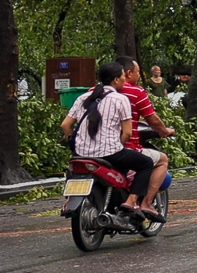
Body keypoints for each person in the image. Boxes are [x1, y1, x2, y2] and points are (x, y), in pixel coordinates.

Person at [62, 59, 155, 215]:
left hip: (81, 154)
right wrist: (117, 145)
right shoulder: (120, 99)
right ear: (116, 80)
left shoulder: (83, 98)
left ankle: (71, 200)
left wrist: (75, 142)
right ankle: (131, 202)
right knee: (146, 164)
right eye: (122, 77)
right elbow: (127, 133)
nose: (125, 80)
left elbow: (65, 125)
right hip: (110, 154)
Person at [115, 56, 173, 219]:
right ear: (127, 73)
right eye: (138, 72)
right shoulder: (133, 92)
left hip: (90, 148)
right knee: (159, 160)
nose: (139, 75)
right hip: (120, 148)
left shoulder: (94, 92)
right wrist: (164, 131)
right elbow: (152, 119)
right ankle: (145, 202)